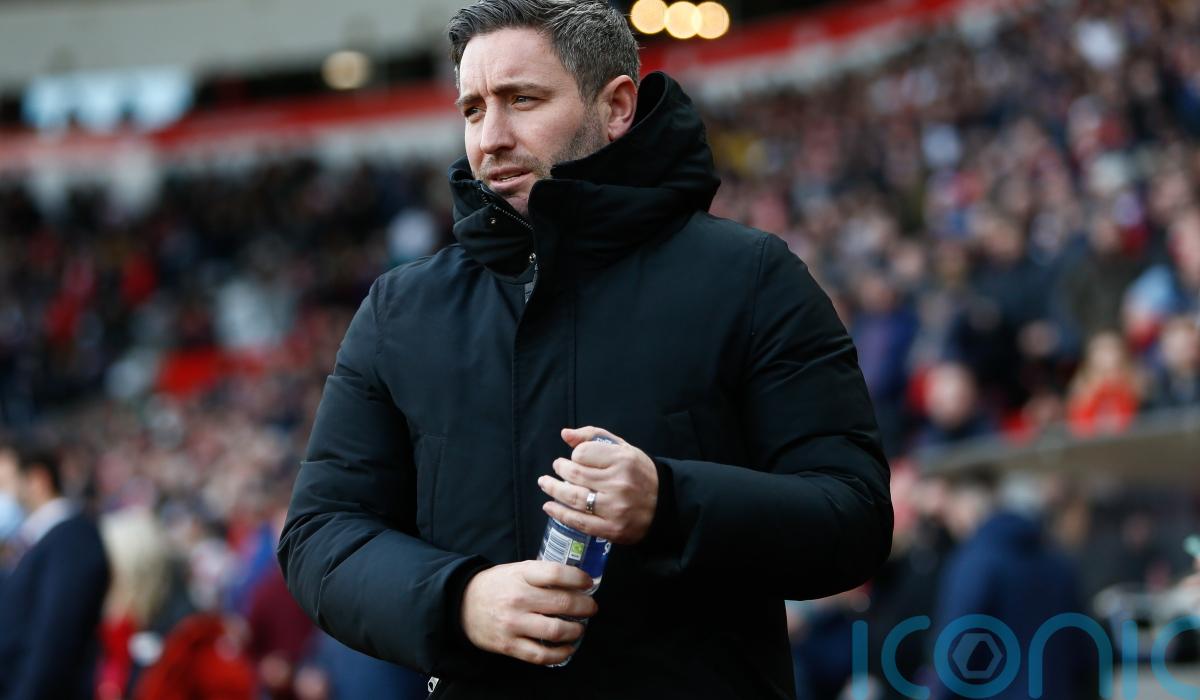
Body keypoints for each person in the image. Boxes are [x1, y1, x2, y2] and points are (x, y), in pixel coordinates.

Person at [277, 1, 893, 697]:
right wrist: (460, 599)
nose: (491, 138)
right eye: (474, 109)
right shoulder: (401, 310)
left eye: (522, 100)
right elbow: (319, 536)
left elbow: (855, 517)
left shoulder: (751, 279)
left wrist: (670, 503)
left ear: (617, 106)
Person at [0, 443, 111, 700]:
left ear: (37, 479)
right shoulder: (31, 540)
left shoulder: (72, 539)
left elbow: (54, 638)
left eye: (4, 482)